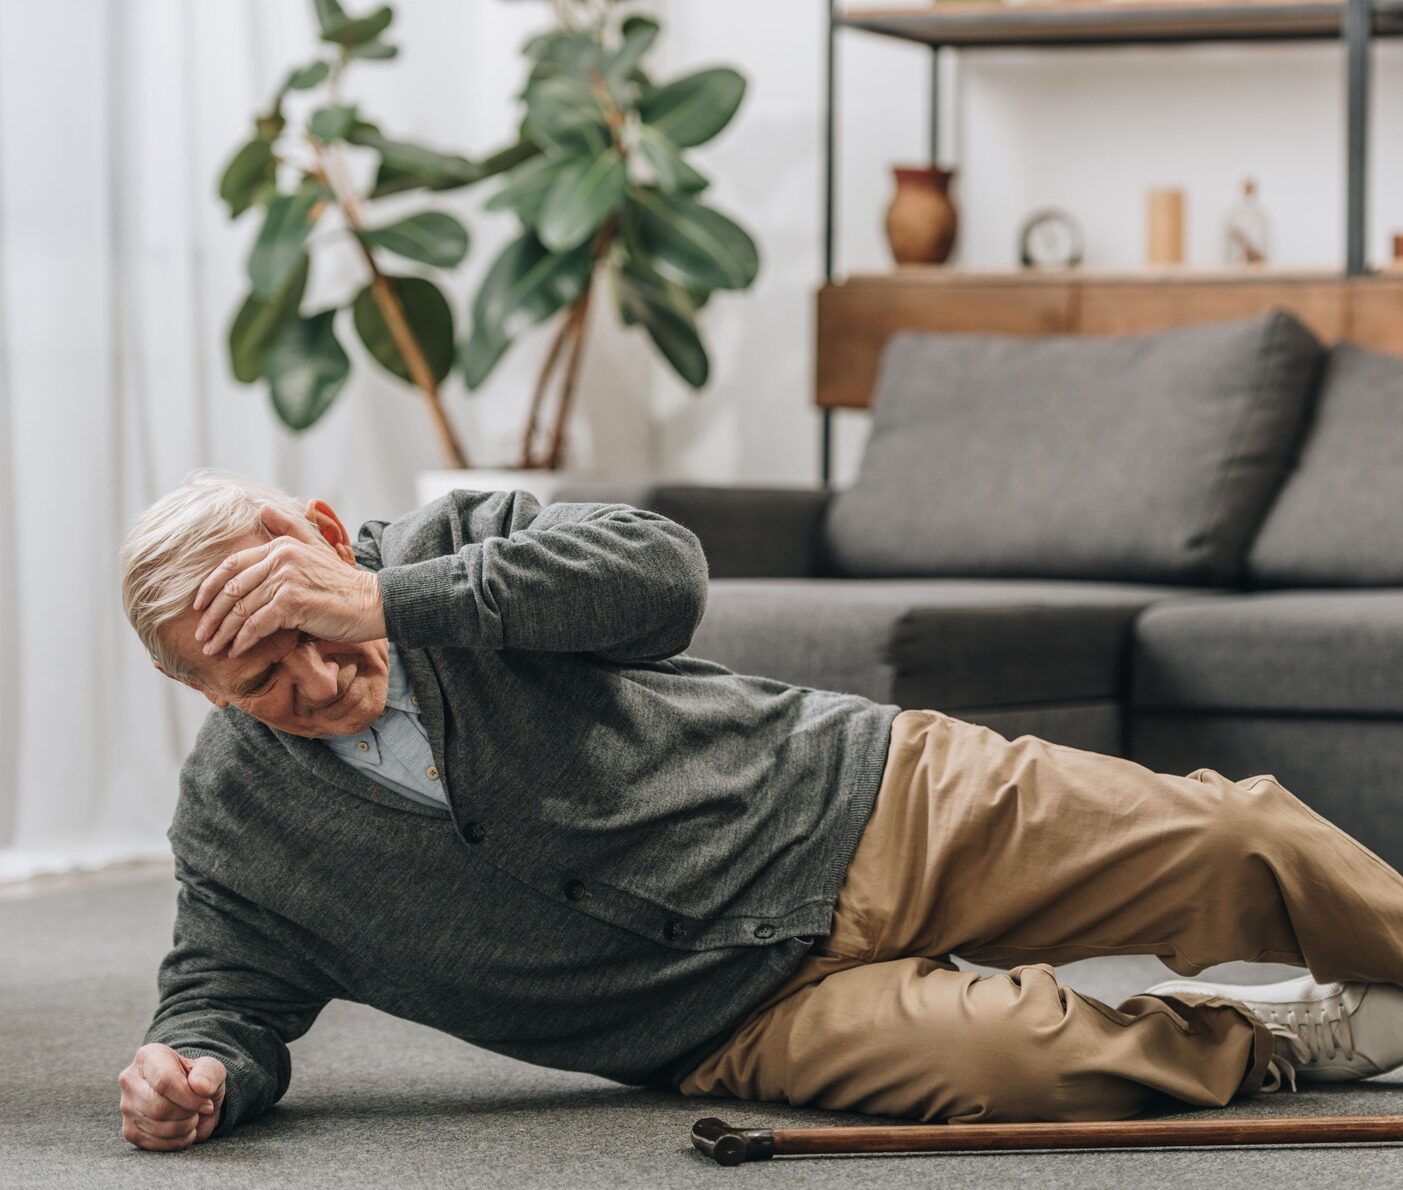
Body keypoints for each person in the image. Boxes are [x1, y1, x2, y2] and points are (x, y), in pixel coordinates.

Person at [115, 469, 1403, 1152]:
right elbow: (226, 993)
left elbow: (657, 576)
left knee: (1235, 841)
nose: (320, 678)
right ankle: (1285, 1042)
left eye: (312, 627)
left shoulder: (454, 546)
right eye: (261, 678)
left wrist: (397, 601)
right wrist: (202, 1074)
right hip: (739, 1022)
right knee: (1029, 1067)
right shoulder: (238, 830)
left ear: (330, 537)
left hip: (864, 799)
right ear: (195, 690)